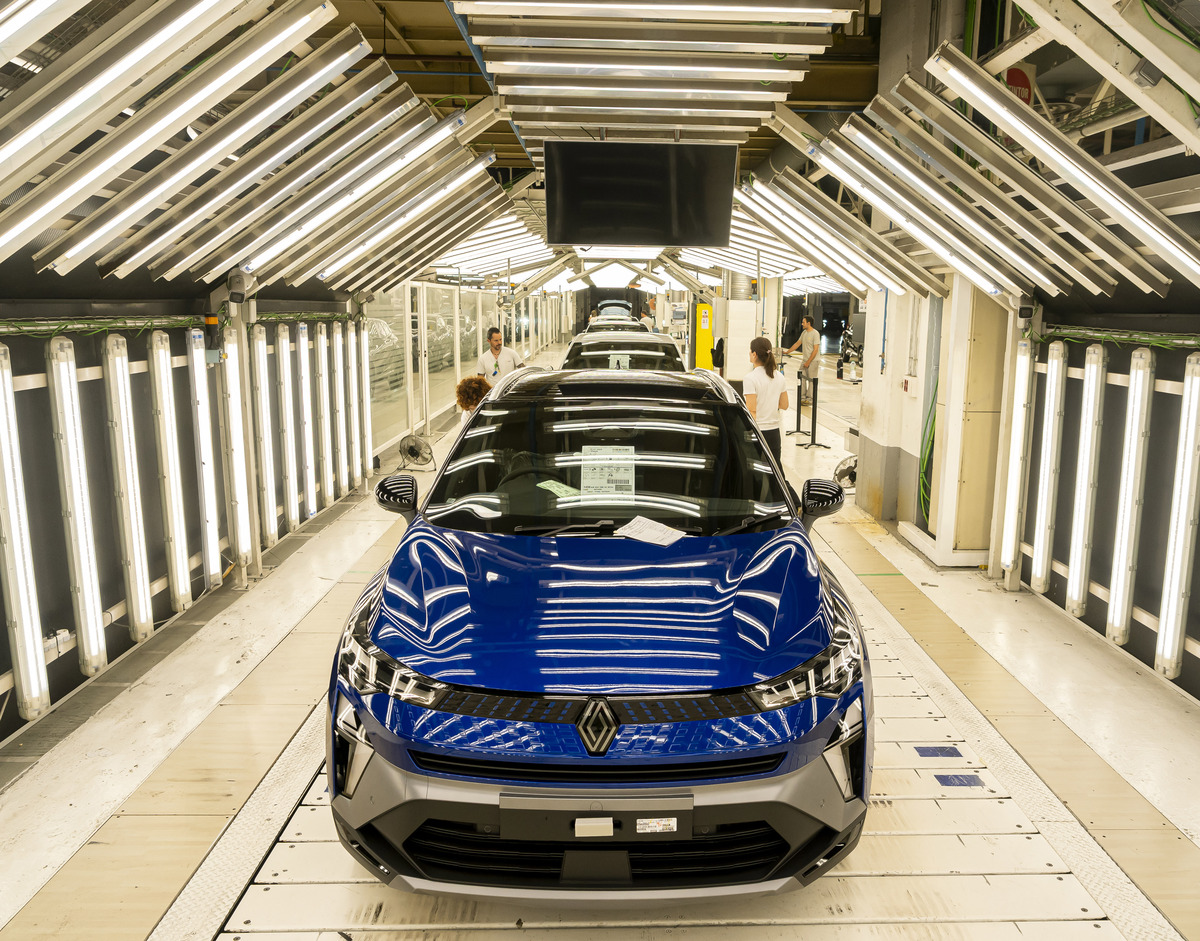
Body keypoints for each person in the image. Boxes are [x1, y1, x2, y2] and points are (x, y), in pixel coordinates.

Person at [743, 336, 788, 465]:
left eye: (750, 351)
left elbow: (752, 410)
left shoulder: (750, 378)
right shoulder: (779, 376)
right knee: (775, 470)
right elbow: (784, 405)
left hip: (758, 432)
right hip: (774, 433)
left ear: (755, 354)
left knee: (756, 471)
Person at [785, 315, 820, 404]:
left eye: (803, 322)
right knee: (801, 378)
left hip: (813, 361)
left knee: (811, 380)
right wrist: (787, 352)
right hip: (805, 360)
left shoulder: (815, 333)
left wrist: (808, 361)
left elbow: (815, 350)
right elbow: (797, 343)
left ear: (809, 323)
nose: (802, 324)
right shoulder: (804, 333)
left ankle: (810, 398)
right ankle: (803, 397)